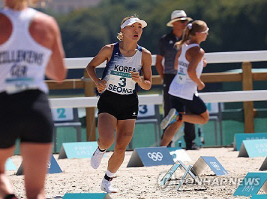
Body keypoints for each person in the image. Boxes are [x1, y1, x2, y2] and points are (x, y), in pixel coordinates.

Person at [0, 0, 67, 198]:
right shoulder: (48, 23)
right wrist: (34, 59)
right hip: (38, 106)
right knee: (36, 191)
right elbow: (59, 74)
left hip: (6, 106)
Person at [86, 16, 152, 193]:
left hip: (129, 101)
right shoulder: (110, 50)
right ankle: (100, 149)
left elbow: (148, 84)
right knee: (107, 140)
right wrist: (97, 81)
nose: (137, 30)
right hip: (109, 98)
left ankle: (107, 180)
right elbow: (90, 67)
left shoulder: (144, 55)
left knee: (122, 147)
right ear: (123, 31)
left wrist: (140, 80)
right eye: (132, 27)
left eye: (140, 27)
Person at [160, 20, 210, 148]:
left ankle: (160, 149)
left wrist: (199, 63)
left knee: (175, 125)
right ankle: (179, 116)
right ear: (198, 33)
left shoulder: (183, 45)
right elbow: (190, 71)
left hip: (175, 88)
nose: (207, 34)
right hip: (187, 91)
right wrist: (200, 83)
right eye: (206, 31)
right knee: (204, 118)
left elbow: (177, 66)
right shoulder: (198, 51)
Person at [155, 10, 198, 150]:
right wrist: (165, 79)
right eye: (182, 21)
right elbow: (158, 62)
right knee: (170, 111)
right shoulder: (164, 40)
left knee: (190, 109)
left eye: (186, 21)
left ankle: (190, 142)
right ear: (174, 23)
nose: (185, 23)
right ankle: (168, 143)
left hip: (186, 77)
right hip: (170, 77)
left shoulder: (191, 40)